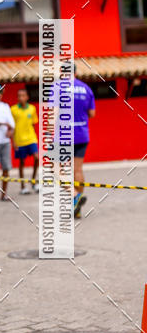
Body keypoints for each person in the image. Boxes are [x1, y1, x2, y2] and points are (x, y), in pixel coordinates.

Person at [71, 64, 95, 218]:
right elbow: (92, 113)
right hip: (82, 134)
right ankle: (77, 208)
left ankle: (75, 196)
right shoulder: (86, 89)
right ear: (75, 72)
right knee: (78, 170)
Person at [10, 87, 39, 194]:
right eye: (19, 96)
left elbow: (33, 124)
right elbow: (11, 127)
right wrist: (13, 142)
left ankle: (33, 181)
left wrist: (35, 138)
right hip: (19, 140)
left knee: (37, 158)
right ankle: (23, 187)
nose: (21, 98)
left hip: (31, 139)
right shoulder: (13, 110)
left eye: (23, 95)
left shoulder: (32, 108)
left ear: (27, 97)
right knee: (22, 163)